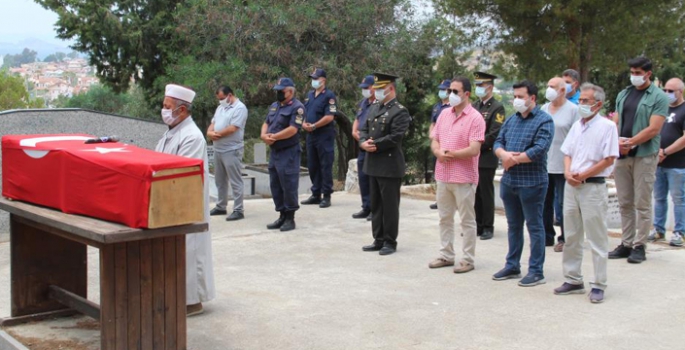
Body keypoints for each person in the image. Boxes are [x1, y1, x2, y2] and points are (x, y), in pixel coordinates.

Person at [554, 83, 619, 304]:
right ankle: (573, 279)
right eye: (580, 100)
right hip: (572, 185)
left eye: (585, 101)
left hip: (592, 186)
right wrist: (568, 172)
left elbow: (609, 158)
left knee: (596, 237)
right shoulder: (576, 126)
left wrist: (584, 174)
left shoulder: (607, 127)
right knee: (571, 234)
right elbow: (567, 152)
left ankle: (599, 283)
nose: (581, 104)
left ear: (598, 104)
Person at [155, 84, 216, 316]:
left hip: (186, 201)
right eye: (163, 106)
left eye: (168, 107)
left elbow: (181, 171)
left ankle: (192, 301)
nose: (164, 110)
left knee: (190, 251)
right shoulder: (171, 131)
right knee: (178, 251)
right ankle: (178, 296)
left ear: (182, 110)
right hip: (170, 199)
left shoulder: (192, 136)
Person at [492, 80, 554, 287]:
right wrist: (503, 154)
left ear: (533, 98)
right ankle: (512, 265)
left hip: (532, 183)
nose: (516, 100)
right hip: (510, 182)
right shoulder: (512, 120)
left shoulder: (545, 121)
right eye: (515, 96)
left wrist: (514, 159)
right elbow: (498, 141)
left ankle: (536, 271)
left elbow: (540, 148)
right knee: (513, 226)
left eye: (521, 96)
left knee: (535, 227)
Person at [609, 57, 669, 264]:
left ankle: (640, 245)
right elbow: (616, 120)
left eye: (637, 72)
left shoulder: (659, 97)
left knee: (642, 202)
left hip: (644, 154)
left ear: (648, 74)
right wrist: (615, 142)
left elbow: (655, 128)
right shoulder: (624, 93)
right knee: (624, 201)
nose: (634, 76)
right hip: (622, 154)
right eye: (632, 72)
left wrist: (632, 142)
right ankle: (626, 243)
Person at [427, 77, 485, 273]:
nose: (450, 95)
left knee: (467, 220)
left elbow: (474, 149)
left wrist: (450, 154)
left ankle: (467, 259)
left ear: (467, 94)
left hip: (464, 177)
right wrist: (437, 152)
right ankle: (446, 254)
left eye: (455, 91)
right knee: (444, 218)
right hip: (443, 175)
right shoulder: (444, 115)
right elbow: (435, 139)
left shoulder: (476, 118)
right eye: (449, 90)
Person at [359, 72, 412, 256]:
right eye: (377, 88)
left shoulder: (399, 110)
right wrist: (363, 142)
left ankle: (390, 240)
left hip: (389, 165)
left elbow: (396, 136)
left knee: (389, 206)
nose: (377, 92)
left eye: (381, 88)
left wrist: (375, 145)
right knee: (376, 204)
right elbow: (363, 127)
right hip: (373, 163)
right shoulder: (374, 107)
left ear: (391, 89)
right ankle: (378, 238)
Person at [261, 78, 305, 232]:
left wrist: (274, 137)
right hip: (275, 152)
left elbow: (293, 129)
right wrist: (263, 135)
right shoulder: (275, 106)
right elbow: (266, 122)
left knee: (288, 184)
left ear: (290, 91)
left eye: (281, 91)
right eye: (277, 90)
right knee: (276, 184)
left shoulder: (298, 108)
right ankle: (281, 215)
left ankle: (290, 218)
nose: (278, 93)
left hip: (289, 152)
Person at [541, 77, 579, 252]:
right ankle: (546, 235)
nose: (549, 89)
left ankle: (565, 238)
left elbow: (577, 138)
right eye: (548, 86)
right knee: (544, 202)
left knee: (564, 204)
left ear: (563, 90)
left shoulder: (573, 110)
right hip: (544, 163)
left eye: (553, 87)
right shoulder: (544, 108)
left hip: (563, 163)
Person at [649, 78, 685, 247]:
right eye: (665, 90)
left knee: (679, 199)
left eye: (671, 91)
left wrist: (666, 152)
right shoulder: (660, 109)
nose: (667, 94)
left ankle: (679, 232)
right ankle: (658, 230)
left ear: (681, 91)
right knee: (659, 198)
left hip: (678, 164)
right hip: (658, 162)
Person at [472, 71, 506, 240]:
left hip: (486, 155)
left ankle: (487, 226)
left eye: (481, 85)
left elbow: (494, 133)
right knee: (475, 193)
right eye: (477, 85)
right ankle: (477, 224)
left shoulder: (497, 107)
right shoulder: (474, 106)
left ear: (490, 87)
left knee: (485, 192)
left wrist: (475, 145)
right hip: (472, 157)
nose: (478, 88)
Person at [207, 85, 248, 221]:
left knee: (235, 180)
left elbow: (233, 128)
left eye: (222, 98)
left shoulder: (240, 108)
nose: (220, 101)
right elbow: (213, 123)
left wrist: (216, 134)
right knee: (220, 180)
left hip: (232, 149)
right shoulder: (221, 108)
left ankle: (238, 209)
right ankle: (221, 206)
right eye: (219, 99)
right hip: (218, 149)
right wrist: (209, 132)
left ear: (230, 95)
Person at [301, 68, 337, 208]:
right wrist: (304, 124)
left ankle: (326, 195)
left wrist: (315, 125)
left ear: (324, 80)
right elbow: (304, 112)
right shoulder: (309, 95)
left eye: (316, 78)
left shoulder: (329, 96)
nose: (314, 81)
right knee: (312, 165)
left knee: (325, 165)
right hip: (311, 136)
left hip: (324, 136)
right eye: (313, 78)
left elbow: (330, 116)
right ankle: (316, 194)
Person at [351, 75, 376, 220]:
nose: (365, 90)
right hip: (362, 146)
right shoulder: (363, 103)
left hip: (372, 146)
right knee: (363, 178)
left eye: (367, 87)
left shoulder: (379, 103)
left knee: (373, 179)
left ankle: (375, 208)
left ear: (374, 87)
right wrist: (355, 133)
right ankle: (366, 206)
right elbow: (357, 120)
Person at [428, 79, 453, 210]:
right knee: (437, 172)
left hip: (447, 144)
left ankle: (448, 200)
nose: (442, 92)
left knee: (448, 172)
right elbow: (432, 123)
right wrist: (431, 135)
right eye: (441, 89)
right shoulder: (437, 107)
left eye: (444, 89)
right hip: (436, 144)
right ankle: (439, 199)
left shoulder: (452, 107)